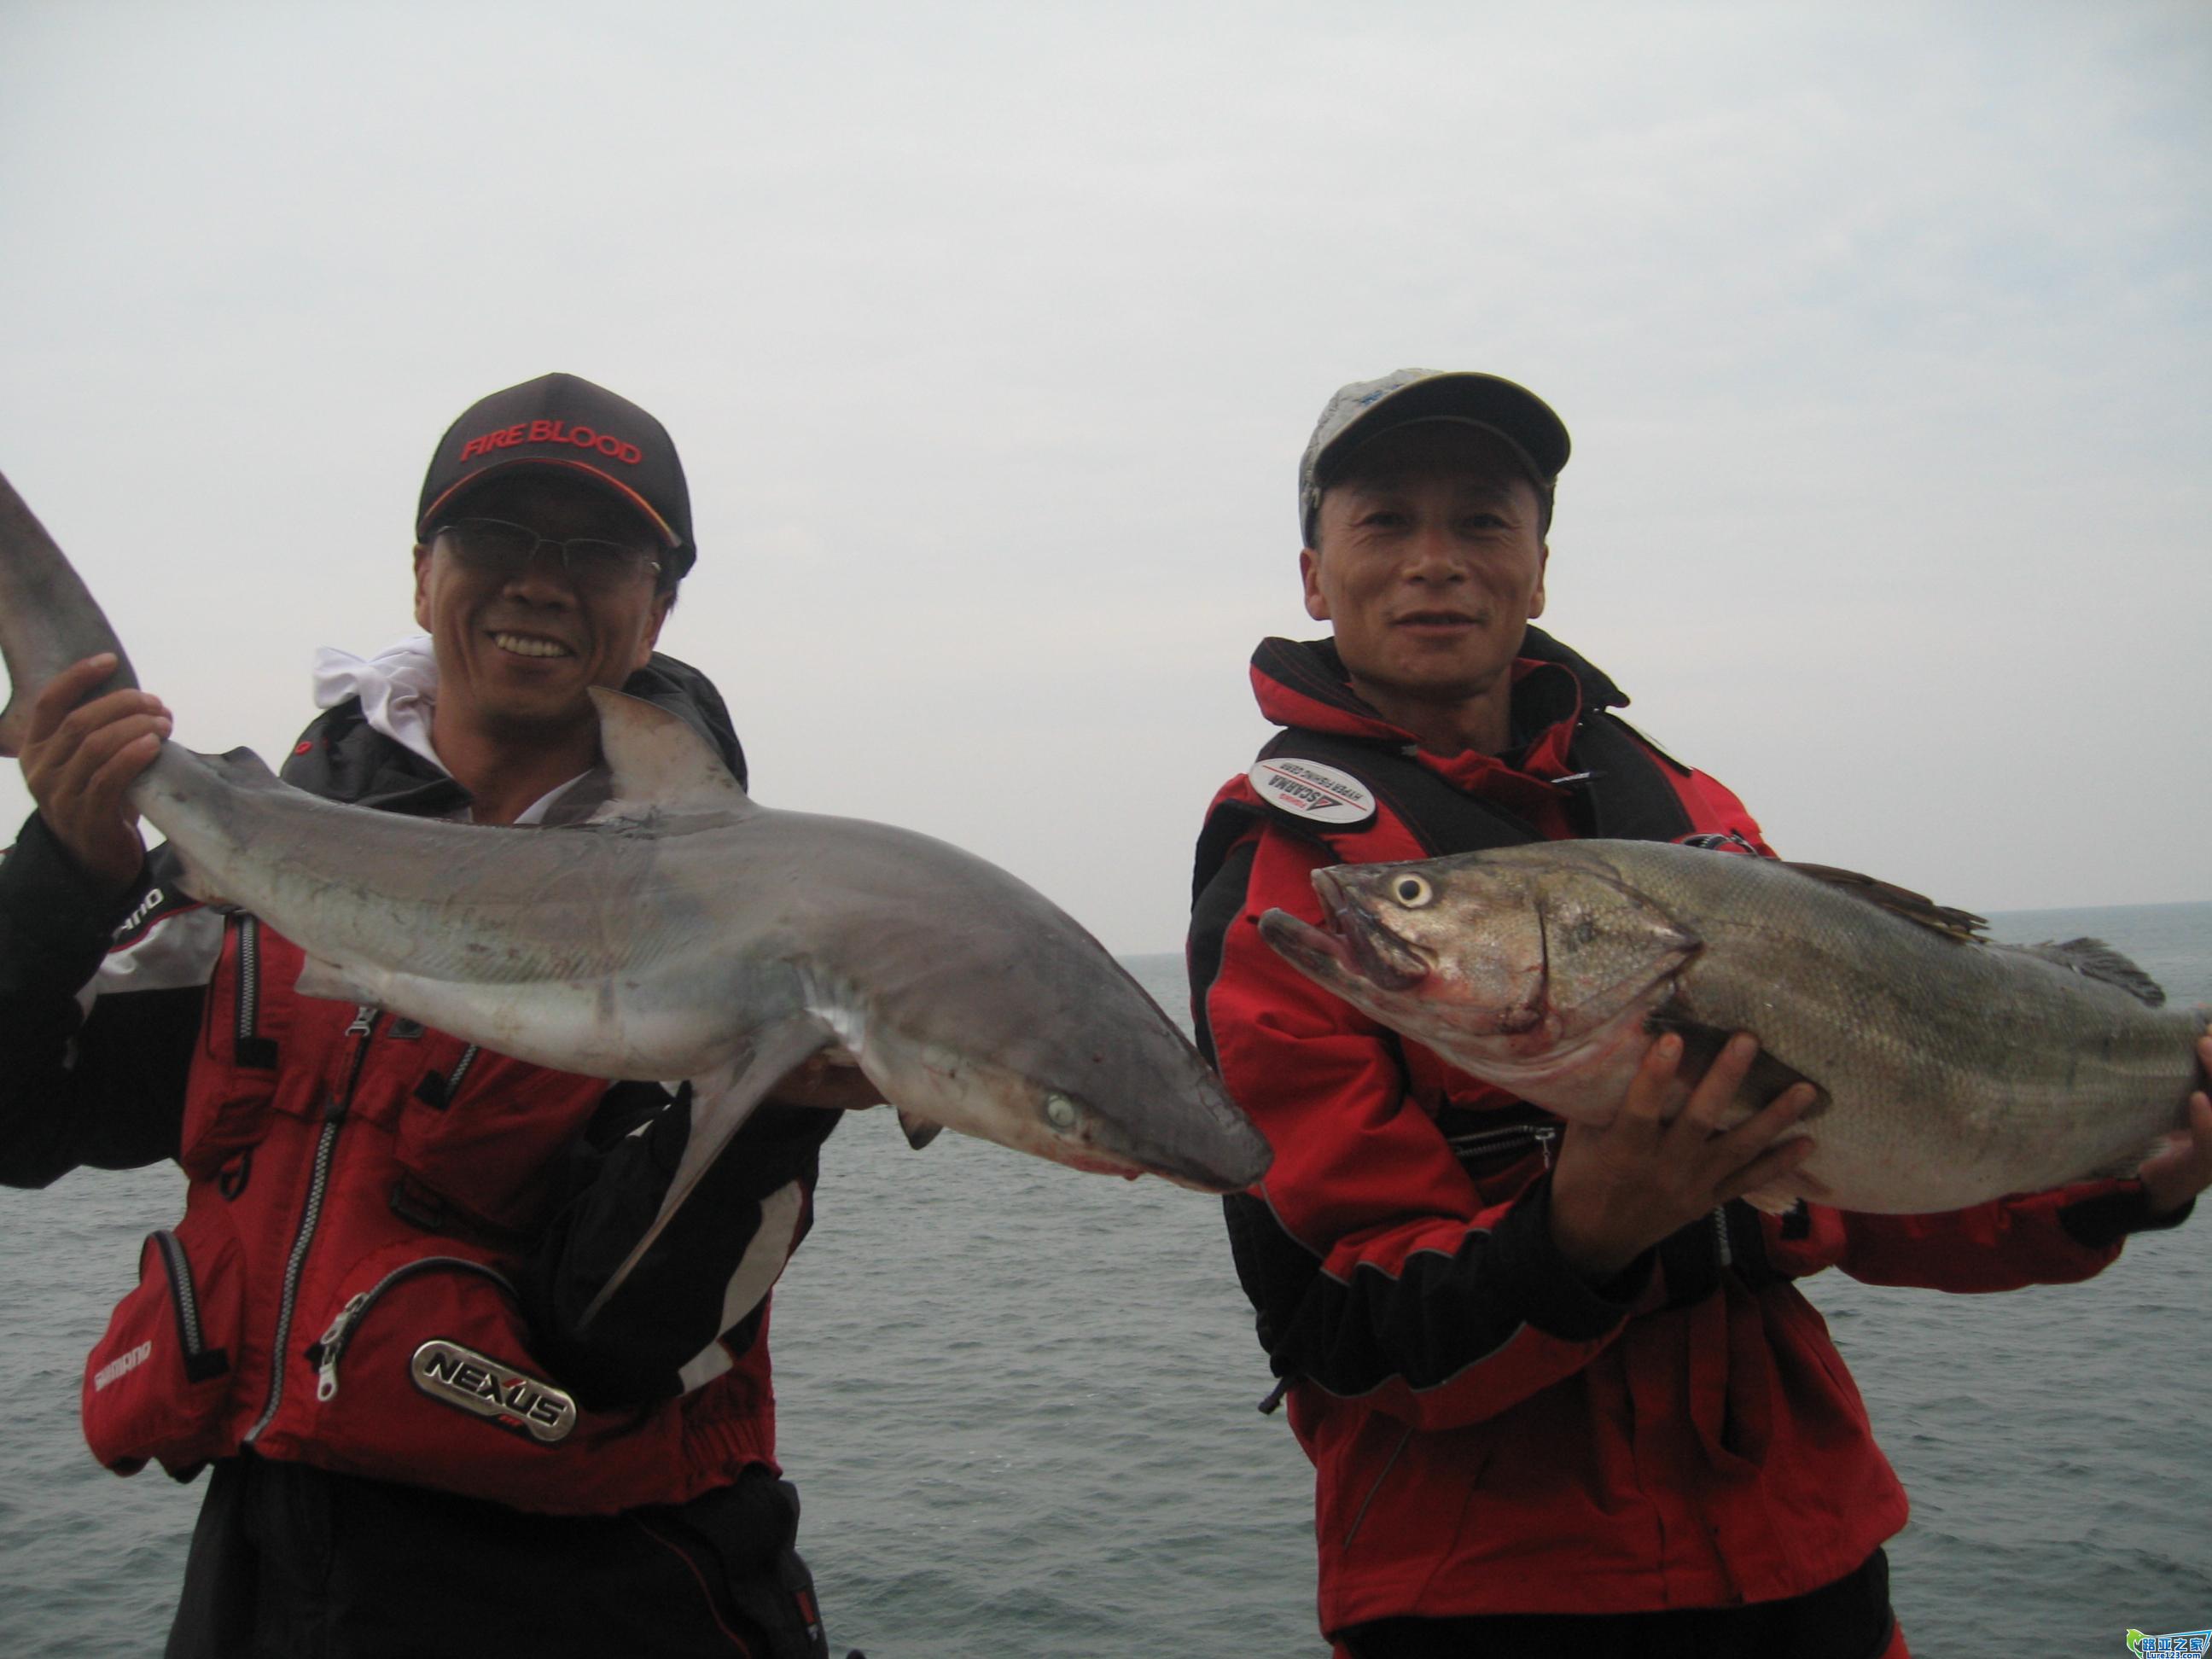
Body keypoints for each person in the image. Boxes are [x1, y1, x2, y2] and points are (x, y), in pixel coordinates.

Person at [1186, 368, 2212, 1659]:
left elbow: (1878, 1164)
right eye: (1385, 520)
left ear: (1539, 570)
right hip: (1486, 1591)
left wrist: (2125, 1185)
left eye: (1485, 520)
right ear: (1314, 577)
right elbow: (1337, 1328)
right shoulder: (1286, 879)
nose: (1435, 560)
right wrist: (1579, 1237)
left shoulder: (1689, 816)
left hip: (1806, 1546)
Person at [0, 373, 873, 1658]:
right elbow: (22, 1123)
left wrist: (774, 1115)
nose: (541, 581)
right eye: (495, 535)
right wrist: (64, 875)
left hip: (604, 1600)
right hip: (265, 1580)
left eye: (598, 550)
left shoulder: (728, 924)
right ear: (422, 576)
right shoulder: (266, 866)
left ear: (660, 607)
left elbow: (617, 1341)